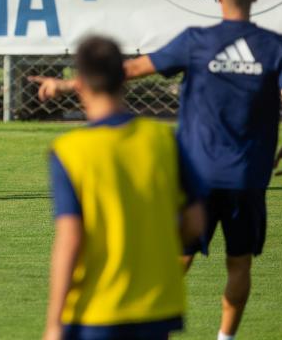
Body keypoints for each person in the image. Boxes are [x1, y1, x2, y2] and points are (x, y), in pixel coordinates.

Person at [32, 0, 282, 340]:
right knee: (239, 263)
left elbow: (131, 68)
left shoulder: (197, 41)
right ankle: (225, 337)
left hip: (200, 174)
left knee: (177, 253)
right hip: (248, 176)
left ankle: (141, 307)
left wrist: (65, 87)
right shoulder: (276, 46)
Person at [43, 36, 205, 340]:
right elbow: (195, 223)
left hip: (97, 309)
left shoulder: (69, 151)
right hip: (156, 305)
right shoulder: (163, 140)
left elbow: (70, 240)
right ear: (124, 79)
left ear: (80, 85)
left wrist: (54, 323)